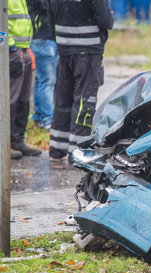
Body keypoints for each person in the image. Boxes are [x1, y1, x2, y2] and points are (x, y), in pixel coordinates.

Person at [48, 0, 114, 162]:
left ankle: (57, 149)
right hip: (88, 52)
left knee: (63, 100)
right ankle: (77, 153)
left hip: (64, 50)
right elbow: (105, 20)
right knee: (84, 103)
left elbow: (50, 19)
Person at [8, 0, 42, 160]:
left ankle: (17, 140)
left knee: (23, 98)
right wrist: (11, 48)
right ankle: (5, 143)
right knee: (10, 99)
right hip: (12, 51)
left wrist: (27, 48)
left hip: (23, 49)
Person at [27, 0, 58, 130]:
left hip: (37, 36)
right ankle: (47, 120)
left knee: (41, 80)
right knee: (47, 82)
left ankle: (40, 118)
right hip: (45, 37)